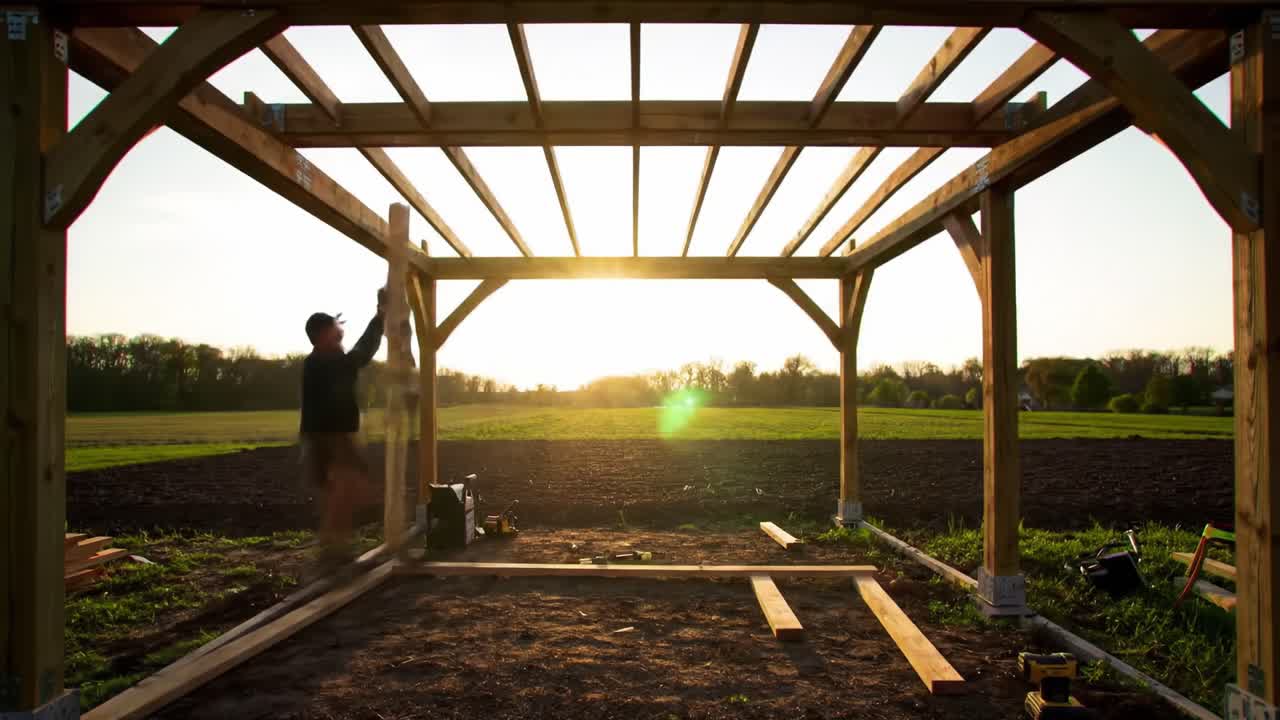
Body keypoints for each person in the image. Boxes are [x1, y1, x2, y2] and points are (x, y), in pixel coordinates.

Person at [300, 289, 385, 568]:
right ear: (323, 336)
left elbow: (356, 353)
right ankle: (333, 552)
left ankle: (334, 549)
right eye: (336, 332)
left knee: (343, 493)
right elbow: (363, 352)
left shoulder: (322, 360)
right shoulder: (328, 363)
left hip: (327, 437)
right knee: (344, 491)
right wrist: (380, 316)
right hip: (331, 439)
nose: (340, 336)